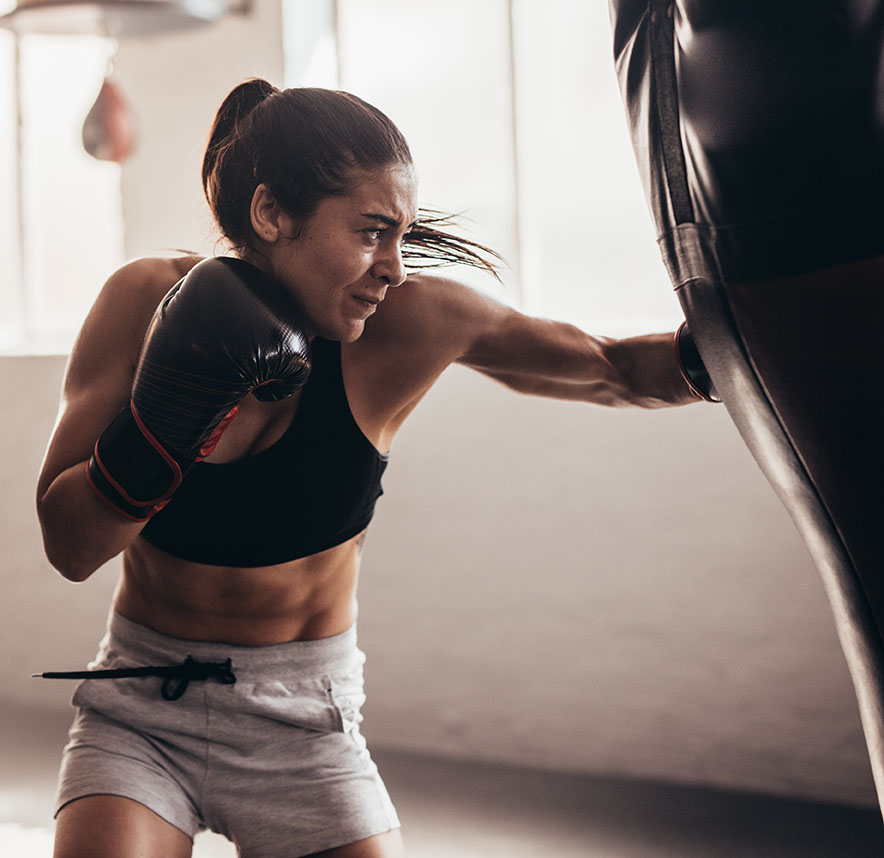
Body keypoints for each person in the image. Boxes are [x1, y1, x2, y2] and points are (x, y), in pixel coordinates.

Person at [36, 78, 715, 858]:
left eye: (403, 236)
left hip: (304, 722)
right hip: (142, 706)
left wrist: (752, 336)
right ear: (271, 215)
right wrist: (166, 421)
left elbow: (612, 369)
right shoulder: (142, 302)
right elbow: (71, 547)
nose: (393, 266)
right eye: (371, 232)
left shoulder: (416, 324)